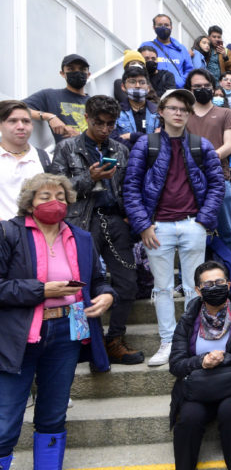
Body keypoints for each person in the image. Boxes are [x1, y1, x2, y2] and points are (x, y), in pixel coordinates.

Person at [0, 173, 114, 470]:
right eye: (46, 197)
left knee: (53, 415)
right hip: (18, 336)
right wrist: (41, 291)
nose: (55, 202)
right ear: (30, 203)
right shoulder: (8, 233)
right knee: (4, 422)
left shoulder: (81, 238)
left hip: (68, 332)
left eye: (61, 197)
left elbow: (98, 280)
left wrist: (106, 295)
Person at [123, 89, 225, 367]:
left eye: (184, 109)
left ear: (189, 114)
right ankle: (168, 342)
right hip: (158, 228)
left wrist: (203, 221)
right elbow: (130, 187)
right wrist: (144, 224)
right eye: (173, 108)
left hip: (193, 224)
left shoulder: (201, 145)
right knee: (163, 288)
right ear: (161, 111)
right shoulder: (146, 145)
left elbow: (217, 185)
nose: (179, 113)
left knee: (195, 287)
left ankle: (191, 341)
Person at [50, 94, 144, 365]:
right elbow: (56, 189)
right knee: (80, 284)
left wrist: (131, 218)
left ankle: (114, 340)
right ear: (87, 119)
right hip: (79, 223)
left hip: (115, 221)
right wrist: (89, 178)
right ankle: (86, 342)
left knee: (127, 282)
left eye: (110, 124)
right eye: (99, 123)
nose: (105, 129)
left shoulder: (120, 149)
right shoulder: (67, 148)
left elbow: (130, 187)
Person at [169, 261, 231, 470]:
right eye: (208, 284)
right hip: (198, 387)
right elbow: (175, 364)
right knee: (189, 418)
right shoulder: (187, 320)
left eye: (219, 282)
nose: (215, 287)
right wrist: (201, 361)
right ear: (198, 290)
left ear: (228, 285)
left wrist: (225, 358)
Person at [184, 69, 231, 257]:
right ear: (190, 89)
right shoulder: (183, 114)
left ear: (213, 87)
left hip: (219, 178)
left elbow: (229, 145)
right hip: (188, 181)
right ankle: (190, 275)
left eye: (206, 85)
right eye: (197, 86)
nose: (202, 89)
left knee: (227, 232)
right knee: (190, 234)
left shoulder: (226, 113)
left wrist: (208, 156)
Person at [0, 101, 49, 221]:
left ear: (32, 125)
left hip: (36, 230)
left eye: (26, 121)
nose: (21, 126)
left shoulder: (47, 159)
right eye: (13, 121)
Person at [23, 54, 90, 142]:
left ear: (88, 74)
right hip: (65, 150)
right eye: (71, 69)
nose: (77, 72)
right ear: (62, 73)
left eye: (82, 69)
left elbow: (106, 137)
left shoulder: (97, 103)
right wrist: (49, 116)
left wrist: (81, 135)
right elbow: (17, 108)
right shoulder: (50, 96)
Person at [140, 14, 194, 88]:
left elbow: (189, 70)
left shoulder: (181, 49)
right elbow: (139, 66)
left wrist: (181, 82)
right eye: (159, 25)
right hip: (153, 90)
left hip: (176, 90)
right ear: (154, 27)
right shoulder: (146, 46)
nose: (163, 27)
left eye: (166, 25)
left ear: (171, 27)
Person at [114, 67, 161, 148]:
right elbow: (112, 139)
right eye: (132, 82)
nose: (137, 86)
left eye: (142, 82)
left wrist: (130, 136)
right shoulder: (116, 111)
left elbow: (162, 139)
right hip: (126, 154)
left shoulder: (158, 112)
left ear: (148, 88)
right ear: (123, 87)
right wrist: (137, 147)